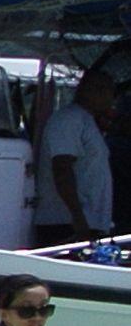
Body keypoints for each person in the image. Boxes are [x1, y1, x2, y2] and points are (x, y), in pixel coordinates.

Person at [38, 72, 114, 242]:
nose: (111, 98)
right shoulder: (69, 119)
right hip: (65, 223)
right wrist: (78, 218)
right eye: (109, 91)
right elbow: (62, 168)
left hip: (90, 221)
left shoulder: (87, 120)